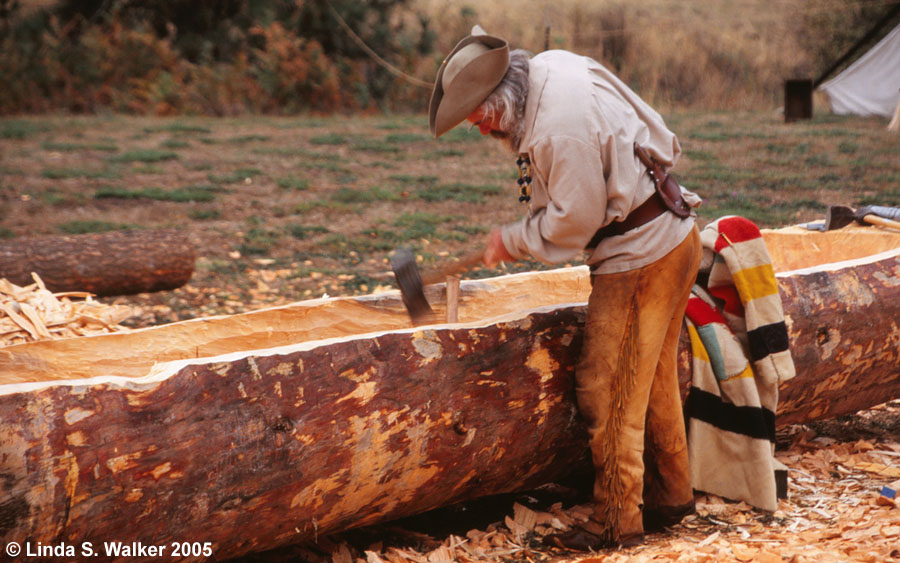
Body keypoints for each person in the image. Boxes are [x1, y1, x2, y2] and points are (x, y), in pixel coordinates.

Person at [428, 26, 703, 550]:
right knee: (654, 376)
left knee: (607, 388)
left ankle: (618, 523)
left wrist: (513, 239)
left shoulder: (558, 129)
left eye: (481, 119)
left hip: (641, 255)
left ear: (500, 98)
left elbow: (576, 221)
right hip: (674, 232)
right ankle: (672, 497)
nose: (482, 131)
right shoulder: (550, 68)